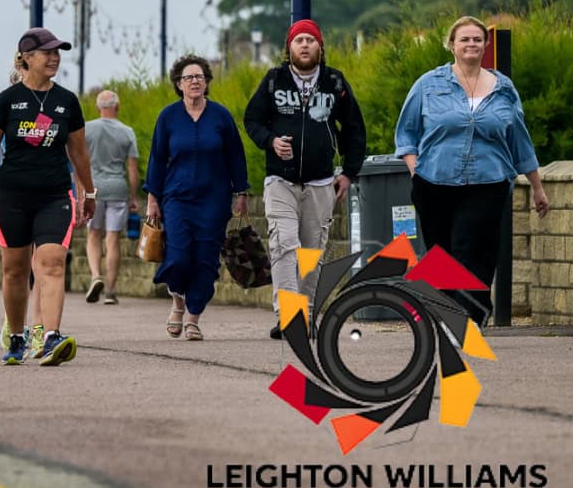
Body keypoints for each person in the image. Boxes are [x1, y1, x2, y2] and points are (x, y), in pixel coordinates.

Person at [394, 15, 549, 319]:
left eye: (477, 39)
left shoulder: (503, 88)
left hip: (488, 182)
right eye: (464, 39)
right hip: (434, 182)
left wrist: (537, 187)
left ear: (485, 44)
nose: (471, 44)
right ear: (451, 44)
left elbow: (519, 140)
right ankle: (445, 313)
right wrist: (416, 172)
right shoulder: (429, 84)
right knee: (441, 253)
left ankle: (471, 315)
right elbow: (406, 134)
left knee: (473, 249)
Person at [0, 28, 92, 366]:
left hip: (54, 194)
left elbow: (78, 153)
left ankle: (50, 336)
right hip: (13, 195)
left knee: (51, 262)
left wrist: (88, 192)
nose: (54, 57)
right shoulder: (7, 101)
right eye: (47, 52)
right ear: (26, 58)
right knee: (15, 271)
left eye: (57, 52)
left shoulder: (67, 101)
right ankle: (17, 337)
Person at [242, 19, 368, 339]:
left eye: (311, 40)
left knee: (311, 251)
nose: (305, 45)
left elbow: (354, 129)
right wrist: (270, 141)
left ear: (320, 47)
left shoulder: (334, 82)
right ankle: (289, 315)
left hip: (321, 182)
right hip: (280, 181)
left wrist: (349, 173)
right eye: (298, 40)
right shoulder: (274, 80)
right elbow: (252, 119)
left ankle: (307, 313)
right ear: (289, 48)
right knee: (284, 245)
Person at [144, 55, 249, 341]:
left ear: (207, 82)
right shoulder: (168, 117)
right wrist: (152, 198)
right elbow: (157, 159)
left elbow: (235, 156)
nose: (195, 81)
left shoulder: (221, 116)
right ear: (178, 84)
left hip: (214, 200)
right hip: (176, 198)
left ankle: (192, 318)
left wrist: (241, 192)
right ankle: (177, 300)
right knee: (178, 257)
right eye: (189, 77)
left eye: (200, 77)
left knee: (205, 260)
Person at [82, 90, 140, 305]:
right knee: (113, 239)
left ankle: (95, 275)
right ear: (117, 107)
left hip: (93, 188)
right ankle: (110, 290)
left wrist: (81, 192)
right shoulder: (127, 132)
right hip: (117, 188)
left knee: (94, 235)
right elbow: (132, 169)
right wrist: (133, 196)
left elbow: (80, 163)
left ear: (98, 107)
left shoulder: (87, 129)